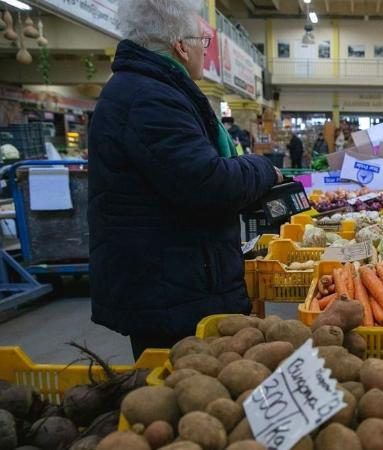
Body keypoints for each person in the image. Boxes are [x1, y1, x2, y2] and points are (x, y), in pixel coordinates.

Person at [88, 0, 282, 359]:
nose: (204, 53)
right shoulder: (151, 98)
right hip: (171, 289)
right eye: (202, 43)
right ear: (180, 45)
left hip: (170, 280)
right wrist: (262, 168)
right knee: (185, 387)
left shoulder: (145, 89)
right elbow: (208, 183)